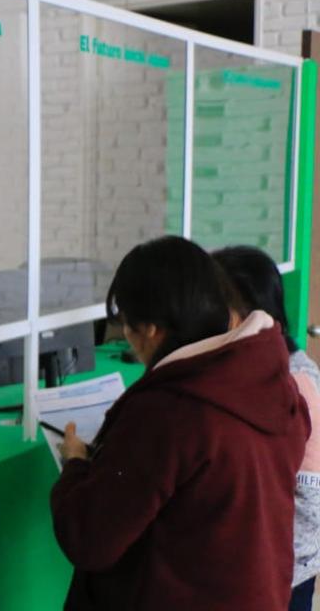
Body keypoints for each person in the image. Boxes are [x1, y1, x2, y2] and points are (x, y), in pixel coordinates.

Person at [51, 236, 308, 610]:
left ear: (151, 329)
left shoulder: (169, 412)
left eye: (127, 323)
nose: (126, 335)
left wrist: (75, 466)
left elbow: (90, 538)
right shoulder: (269, 380)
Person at [213, 245, 320, 611]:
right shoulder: (294, 365)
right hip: (292, 560)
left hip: (280, 565)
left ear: (237, 314)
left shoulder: (284, 383)